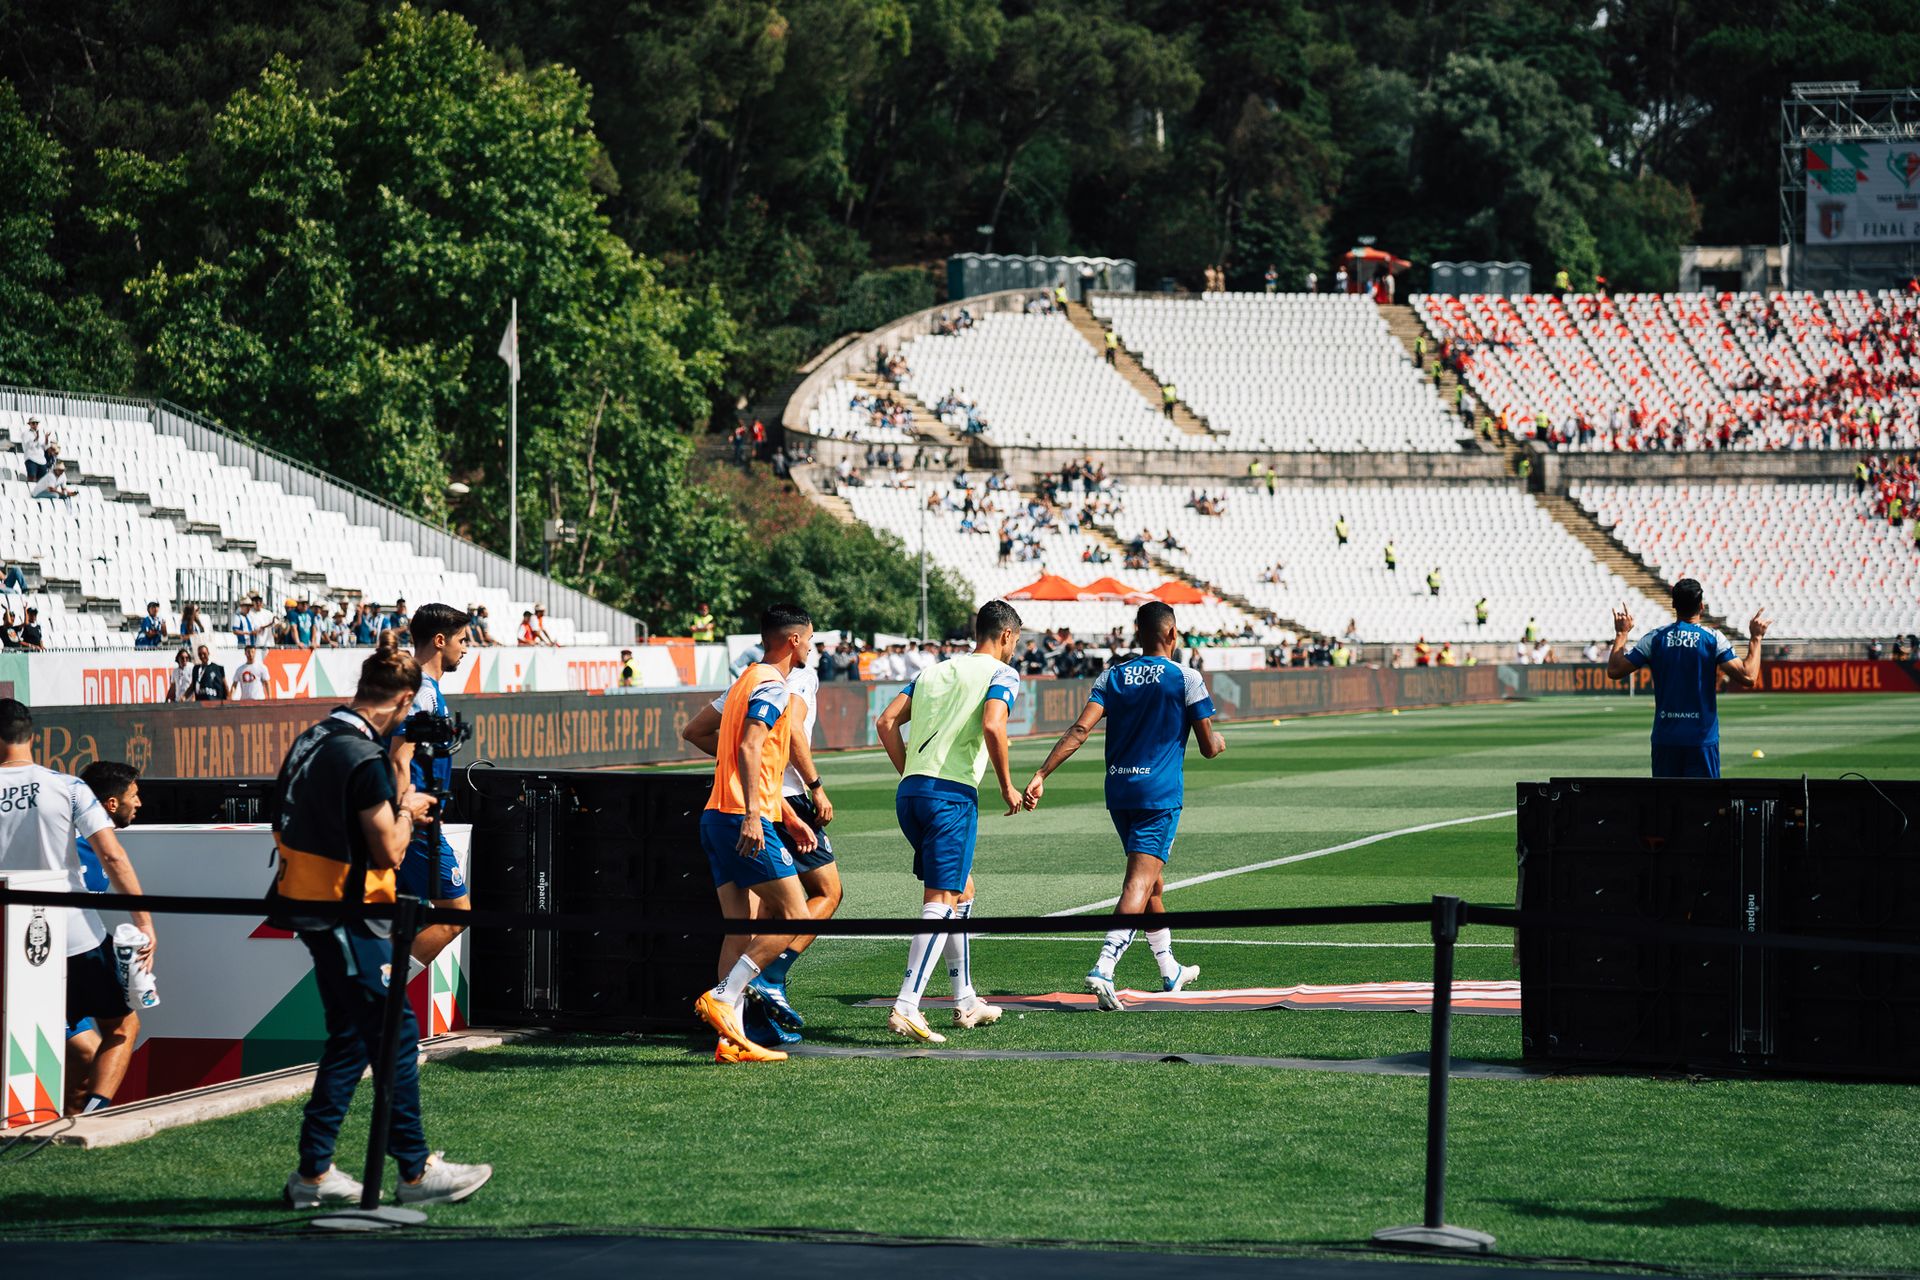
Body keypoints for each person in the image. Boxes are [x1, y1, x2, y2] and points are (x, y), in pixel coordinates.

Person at [264, 647, 492, 1208]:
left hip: (313, 903)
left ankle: (313, 1174)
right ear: (403, 700)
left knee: (350, 1037)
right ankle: (415, 1172)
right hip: (344, 910)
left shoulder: (313, 737)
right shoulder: (362, 756)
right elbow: (389, 848)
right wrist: (409, 808)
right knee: (395, 1033)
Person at [1022, 602, 1225, 1009]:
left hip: (1119, 792)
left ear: (1137, 632)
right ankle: (1104, 966)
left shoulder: (1112, 676)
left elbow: (1081, 729)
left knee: (1152, 881)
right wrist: (1220, 742)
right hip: (1158, 795)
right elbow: (1207, 747)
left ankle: (1169, 970)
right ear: (1172, 634)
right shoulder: (1186, 677)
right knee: (1138, 881)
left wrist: (1042, 773)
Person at [873, 601, 1025, 1043]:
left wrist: (910, 772)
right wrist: (1007, 786)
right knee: (940, 898)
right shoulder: (1002, 673)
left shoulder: (933, 671)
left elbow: (885, 723)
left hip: (912, 792)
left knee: (963, 890)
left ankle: (965, 1000)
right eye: (1016, 640)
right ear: (1007, 636)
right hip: (951, 795)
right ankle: (906, 1005)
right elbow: (995, 726)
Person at [682, 642, 844, 1046]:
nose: (811, 646)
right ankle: (729, 993)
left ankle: (732, 1040)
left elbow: (699, 733)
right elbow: (751, 745)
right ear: (794, 640)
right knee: (796, 915)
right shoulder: (778, 682)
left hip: (715, 815)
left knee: (739, 929)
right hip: (745, 817)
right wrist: (759, 812)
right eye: (808, 638)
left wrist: (780, 813)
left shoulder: (744, 680)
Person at [0, 700, 154, 1117]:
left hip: (6, 936)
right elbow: (113, 856)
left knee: (32, 1039)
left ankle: (56, 1119)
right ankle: (92, 1120)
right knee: (122, 1025)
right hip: (70, 934)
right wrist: (144, 922)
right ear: (31, 736)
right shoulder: (67, 786)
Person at [1606, 579, 1770, 779]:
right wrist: (1756, 638)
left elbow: (1615, 670)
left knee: (1666, 806)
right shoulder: (1712, 638)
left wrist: (1622, 633)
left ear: (1673, 605)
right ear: (1701, 606)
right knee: (1704, 805)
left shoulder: (1655, 638)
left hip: (1666, 739)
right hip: (1701, 740)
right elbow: (1748, 676)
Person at [384, 604, 472, 968]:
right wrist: (405, 819)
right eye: (462, 640)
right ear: (440, 641)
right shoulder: (420, 689)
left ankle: (381, 1001)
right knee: (456, 914)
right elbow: (398, 759)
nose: (466, 648)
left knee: (399, 920)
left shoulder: (424, 686)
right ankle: (383, 992)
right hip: (416, 822)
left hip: (413, 819)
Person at [67, 761, 142, 1112]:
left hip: (72, 960)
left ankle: (73, 1128)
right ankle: (93, 1119)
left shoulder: (98, 843)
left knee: (87, 1059)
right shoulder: (66, 840)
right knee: (107, 1038)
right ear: (112, 804)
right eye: (134, 795)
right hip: (45, 956)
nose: (139, 803)